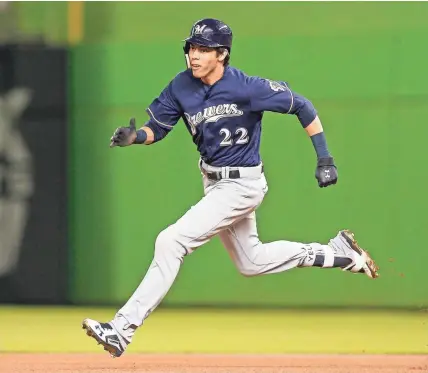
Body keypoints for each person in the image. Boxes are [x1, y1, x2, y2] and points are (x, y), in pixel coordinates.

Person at [82, 18, 379, 358]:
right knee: (251, 262)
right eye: (192, 48)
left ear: (222, 54)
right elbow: (158, 128)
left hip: (242, 184)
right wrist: (136, 137)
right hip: (213, 182)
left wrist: (324, 157)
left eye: (204, 49)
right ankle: (337, 253)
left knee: (171, 241)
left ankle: (122, 329)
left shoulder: (247, 87)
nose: (194, 55)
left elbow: (303, 106)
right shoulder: (182, 86)